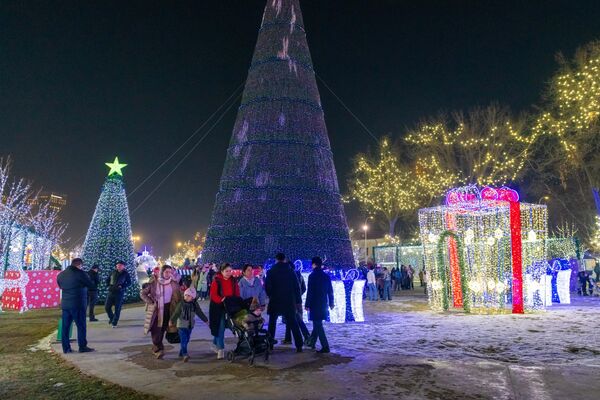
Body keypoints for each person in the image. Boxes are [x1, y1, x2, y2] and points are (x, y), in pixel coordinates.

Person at [140, 265, 182, 359]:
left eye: (170, 272)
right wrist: (151, 302)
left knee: (165, 328)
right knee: (156, 330)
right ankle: (157, 349)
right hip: (157, 309)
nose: (168, 274)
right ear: (162, 272)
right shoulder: (154, 283)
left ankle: (160, 347)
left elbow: (179, 296)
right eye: (166, 272)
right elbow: (142, 293)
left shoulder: (173, 283)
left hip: (169, 309)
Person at [265, 253, 303, 352]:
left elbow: (267, 287)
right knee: (293, 323)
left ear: (276, 259)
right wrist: (298, 301)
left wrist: (271, 296)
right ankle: (299, 346)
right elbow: (297, 287)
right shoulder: (291, 271)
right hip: (289, 302)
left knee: (272, 324)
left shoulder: (271, 271)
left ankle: (270, 345)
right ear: (284, 259)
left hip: (275, 301)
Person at [56, 258, 95, 353]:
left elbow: (60, 286)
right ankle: (82, 347)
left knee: (65, 327)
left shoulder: (61, 274)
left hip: (66, 304)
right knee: (81, 326)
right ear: (79, 265)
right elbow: (91, 286)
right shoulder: (81, 274)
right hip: (78, 304)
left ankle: (66, 348)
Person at [209, 263, 240, 359]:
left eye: (230, 271)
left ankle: (215, 342)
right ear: (221, 271)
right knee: (220, 328)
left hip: (230, 307)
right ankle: (221, 349)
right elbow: (213, 295)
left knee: (231, 326)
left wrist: (236, 301)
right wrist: (221, 300)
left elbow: (237, 293)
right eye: (226, 271)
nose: (228, 273)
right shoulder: (217, 281)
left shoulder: (234, 281)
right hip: (218, 307)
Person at [170, 286, 208, 362]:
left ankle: (181, 352)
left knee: (187, 340)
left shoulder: (194, 304)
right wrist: (171, 321)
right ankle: (185, 354)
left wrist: (206, 320)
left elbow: (199, 313)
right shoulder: (181, 304)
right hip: (181, 325)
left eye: (188, 296)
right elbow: (176, 313)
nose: (186, 297)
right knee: (184, 340)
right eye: (185, 295)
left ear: (193, 297)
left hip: (190, 325)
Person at [305, 257, 334, 354]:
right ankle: (312, 343)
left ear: (314, 264)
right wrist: (331, 303)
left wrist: (307, 304)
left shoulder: (312, 276)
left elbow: (310, 291)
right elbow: (330, 291)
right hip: (323, 304)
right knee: (317, 324)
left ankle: (325, 346)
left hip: (314, 303)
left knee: (318, 325)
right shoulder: (326, 276)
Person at [284, 262, 310, 345]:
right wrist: (298, 295)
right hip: (298, 302)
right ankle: (288, 338)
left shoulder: (289, 276)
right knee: (291, 319)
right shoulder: (299, 275)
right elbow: (304, 288)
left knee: (298, 320)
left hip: (291, 301)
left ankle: (307, 337)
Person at [104, 261, 132, 328]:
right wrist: (109, 286)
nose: (119, 266)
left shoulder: (125, 273)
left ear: (123, 266)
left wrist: (122, 286)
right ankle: (112, 318)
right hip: (111, 292)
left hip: (119, 293)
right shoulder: (113, 272)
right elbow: (107, 280)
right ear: (116, 266)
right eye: (118, 265)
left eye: (121, 265)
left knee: (117, 308)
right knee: (107, 307)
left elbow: (129, 282)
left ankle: (114, 322)